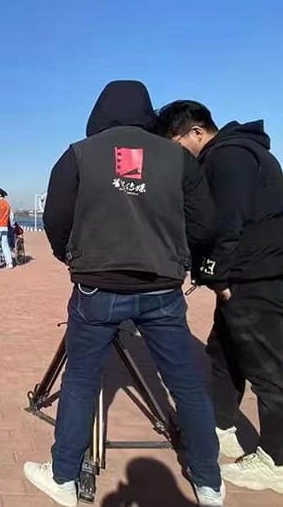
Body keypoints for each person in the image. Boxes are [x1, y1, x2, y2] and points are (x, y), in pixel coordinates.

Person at [25, 81, 224, 507]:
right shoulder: (176, 157)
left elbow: (56, 218)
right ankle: (209, 483)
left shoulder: (78, 154)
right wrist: (175, 255)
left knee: (80, 379)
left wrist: (72, 256)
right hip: (162, 287)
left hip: (97, 285)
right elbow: (205, 224)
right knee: (185, 383)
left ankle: (63, 478)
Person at [156, 100, 283, 496]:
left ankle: (276, 463)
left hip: (259, 276)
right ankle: (221, 427)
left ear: (196, 132)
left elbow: (229, 222)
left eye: (176, 145)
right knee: (224, 352)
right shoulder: (235, 152)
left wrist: (217, 274)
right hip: (249, 272)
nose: (177, 156)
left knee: (266, 367)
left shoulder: (229, 156)